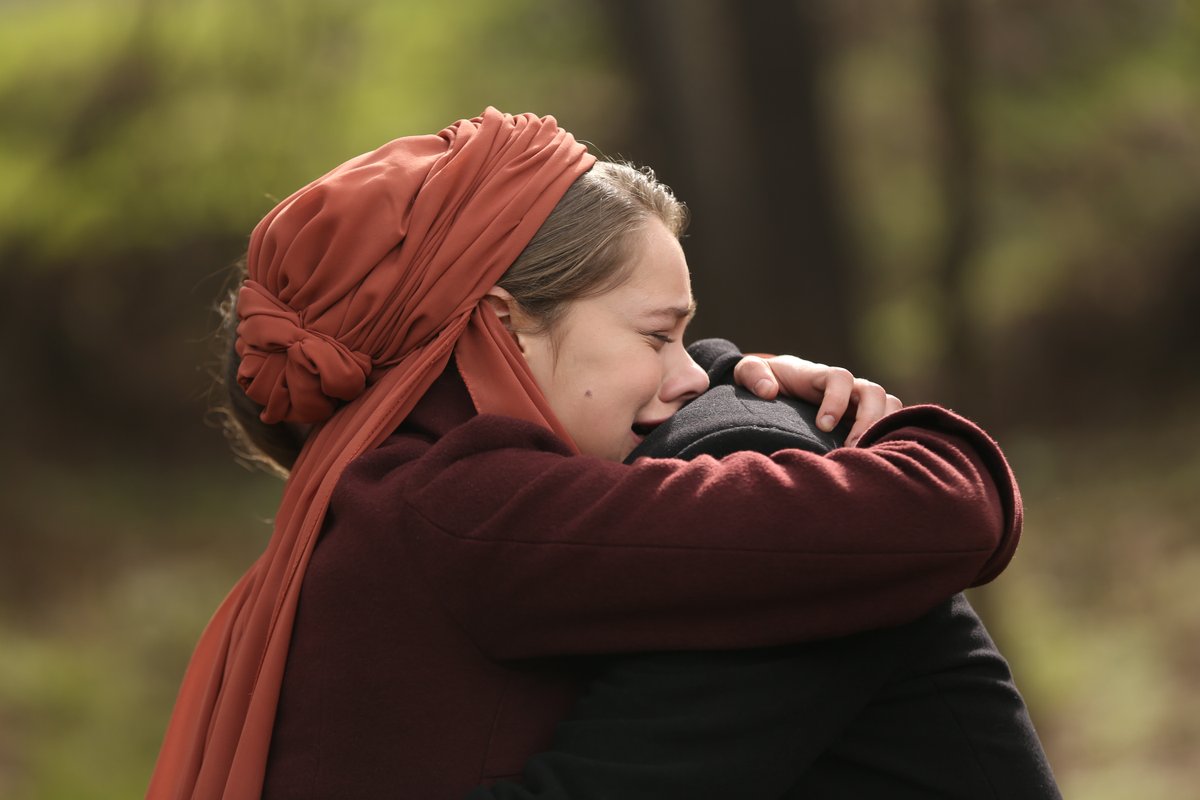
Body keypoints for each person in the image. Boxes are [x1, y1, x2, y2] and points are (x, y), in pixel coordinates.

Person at [148, 109, 1023, 799]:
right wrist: (857, 424)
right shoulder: (466, 510)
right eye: (659, 334)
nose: (684, 372)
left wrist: (717, 369)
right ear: (504, 324)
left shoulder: (392, 494)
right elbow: (951, 509)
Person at [471, 338, 1060, 799]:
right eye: (656, 337)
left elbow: (944, 507)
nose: (695, 377)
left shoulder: (739, 460)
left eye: (678, 335)